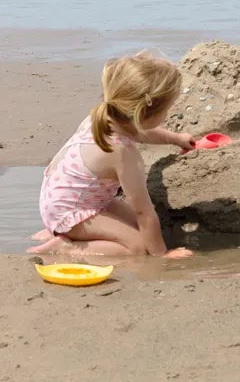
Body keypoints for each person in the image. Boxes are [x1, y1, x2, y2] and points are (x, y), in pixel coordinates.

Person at [28, 52, 195, 257]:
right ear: (143, 113)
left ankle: (63, 231)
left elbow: (141, 132)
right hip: (69, 211)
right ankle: (67, 246)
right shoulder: (123, 152)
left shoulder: (104, 116)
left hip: (65, 199)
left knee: (140, 229)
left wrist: (175, 138)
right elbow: (143, 211)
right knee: (138, 247)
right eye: (166, 110)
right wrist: (161, 254)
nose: (167, 114)